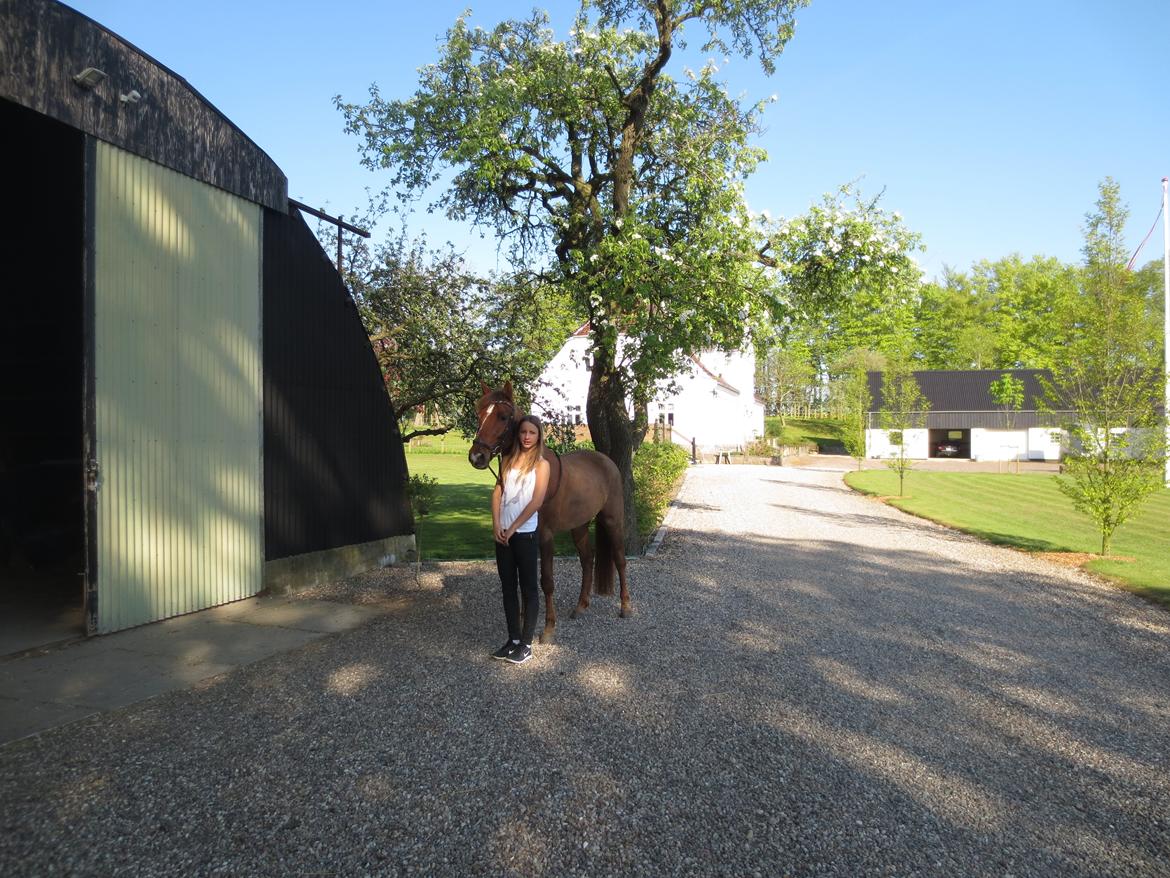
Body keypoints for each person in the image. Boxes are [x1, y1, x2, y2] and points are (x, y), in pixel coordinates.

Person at [490, 414, 550, 664]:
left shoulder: (541, 465)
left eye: (531, 433)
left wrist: (513, 527)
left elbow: (536, 501)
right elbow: (497, 493)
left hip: (524, 535)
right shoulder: (508, 460)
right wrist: (496, 524)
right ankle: (512, 639)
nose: (526, 437)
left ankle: (526, 644)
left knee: (528, 589)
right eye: (523, 432)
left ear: (538, 436)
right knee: (507, 588)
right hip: (503, 535)